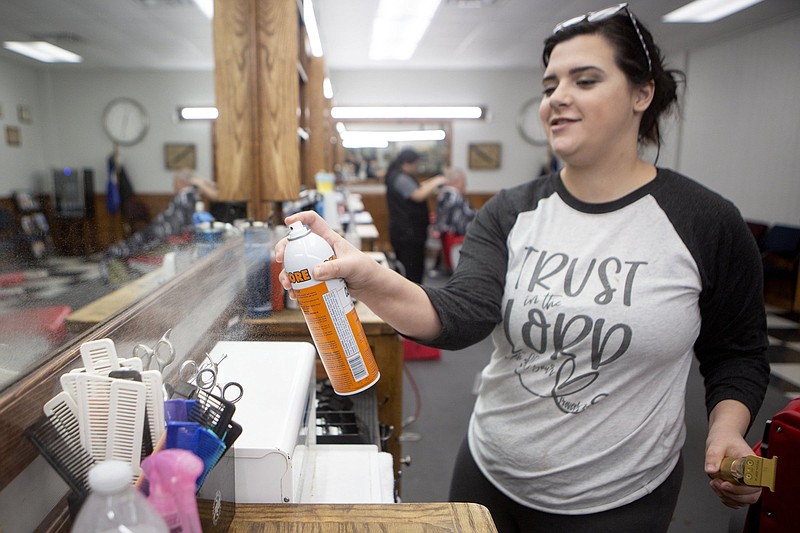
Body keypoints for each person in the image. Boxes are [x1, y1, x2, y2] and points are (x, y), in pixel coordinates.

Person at [275, 4, 769, 532]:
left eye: (585, 79)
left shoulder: (704, 221)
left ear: (641, 93)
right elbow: (460, 314)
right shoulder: (511, 211)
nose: (558, 97)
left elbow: (737, 352)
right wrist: (368, 275)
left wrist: (727, 431)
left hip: (620, 498)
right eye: (550, 83)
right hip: (490, 475)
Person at [103, 168, 218, 273]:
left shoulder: (185, 198)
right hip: (166, 231)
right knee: (141, 237)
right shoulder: (191, 197)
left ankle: (116, 258)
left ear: (179, 183)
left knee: (132, 243)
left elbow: (172, 225)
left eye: (174, 181)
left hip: (164, 235)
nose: (173, 184)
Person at [384, 148, 447, 283]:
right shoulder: (400, 178)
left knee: (410, 270)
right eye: (416, 165)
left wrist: (429, 184)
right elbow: (418, 194)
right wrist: (437, 180)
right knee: (412, 273)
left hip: (405, 232)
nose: (417, 168)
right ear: (409, 163)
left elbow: (417, 187)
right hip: (408, 234)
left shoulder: (398, 176)